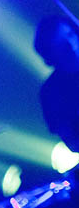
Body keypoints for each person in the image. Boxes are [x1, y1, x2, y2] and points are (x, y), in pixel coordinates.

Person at [34, 15, 79, 153]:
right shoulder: (50, 93)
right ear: (51, 55)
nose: (71, 45)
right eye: (61, 45)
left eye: (70, 35)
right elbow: (73, 143)